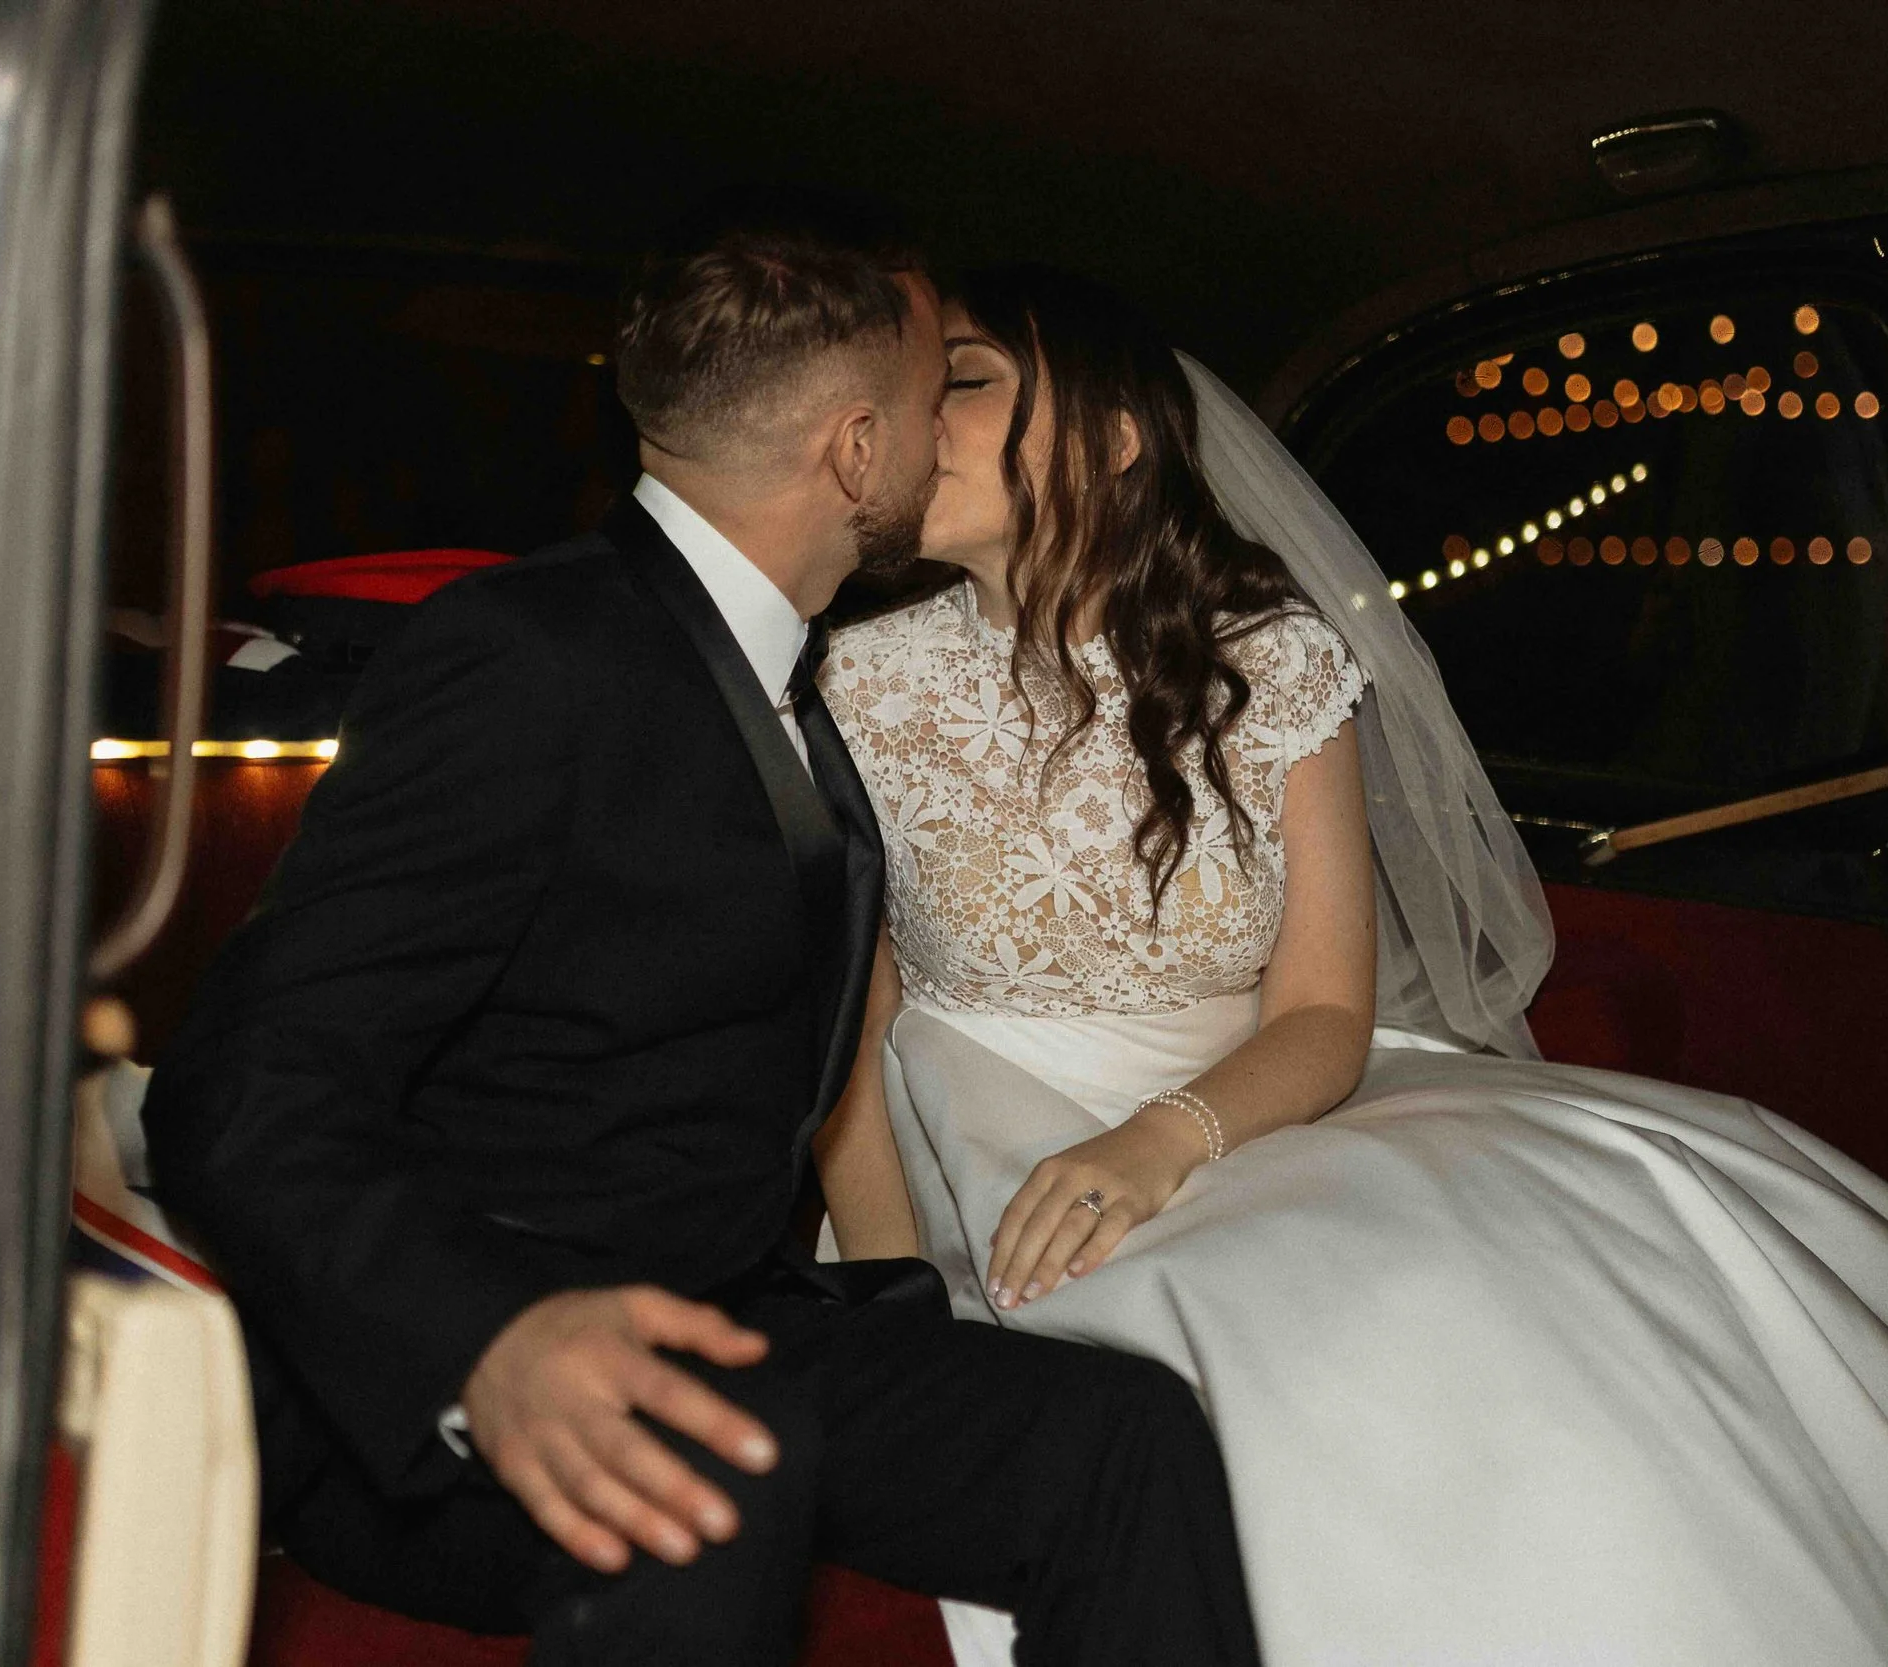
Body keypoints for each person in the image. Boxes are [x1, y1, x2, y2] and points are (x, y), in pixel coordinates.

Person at [814, 264, 1888, 1667]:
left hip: (1254, 1102)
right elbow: (853, 1028)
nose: (912, 418)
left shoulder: (1274, 662)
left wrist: (1165, 1139)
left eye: (964, 381)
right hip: (991, 1139)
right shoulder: (853, 685)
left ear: (1110, 437)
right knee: (1304, 1316)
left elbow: (1324, 1011)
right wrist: (893, 1303)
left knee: (1606, 1227)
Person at [141, 223, 1261, 1667]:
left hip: (733, 1319)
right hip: (479, 1379)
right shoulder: (527, 654)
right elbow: (237, 1091)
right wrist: (488, 1340)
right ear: (859, 450)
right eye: (937, 398)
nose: (945, 436)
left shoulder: (794, 662)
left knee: (1121, 1435)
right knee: (704, 1482)